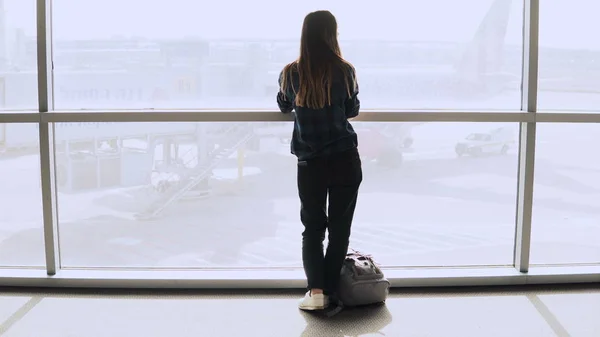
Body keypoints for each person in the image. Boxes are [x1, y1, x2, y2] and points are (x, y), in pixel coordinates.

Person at [276, 10, 362, 311]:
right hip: (344, 158)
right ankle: (332, 290)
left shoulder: (291, 72)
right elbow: (352, 109)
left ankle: (316, 293)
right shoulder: (345, 70)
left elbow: (284, 105)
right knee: (340, 229)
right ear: (332, 34)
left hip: (310, 162)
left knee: (313, 228)